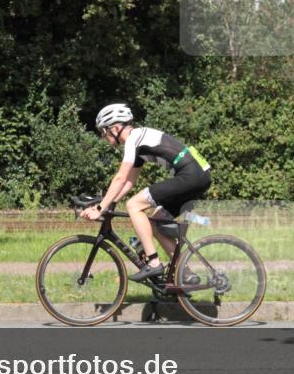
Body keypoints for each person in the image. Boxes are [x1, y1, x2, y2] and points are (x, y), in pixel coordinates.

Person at [81, 103, 211, 280]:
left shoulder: (133, 139)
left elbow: (120, 178)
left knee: (133, 205)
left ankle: (154, 263)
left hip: (190, 175)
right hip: (198, 175)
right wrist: (108, 203)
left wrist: (99, 209)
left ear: (116, 128)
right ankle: (187, 274)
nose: (104, 137)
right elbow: (129, 182)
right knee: (156, 224)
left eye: (104, 132)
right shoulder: (139, 140)